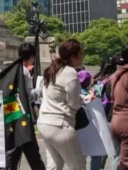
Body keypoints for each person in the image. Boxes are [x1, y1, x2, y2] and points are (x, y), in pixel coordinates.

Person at [38, 39, 87, 170]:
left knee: (54, 165)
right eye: (81, 54)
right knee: (78, 165)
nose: (82, 57)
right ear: (73, 56)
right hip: (60, 125)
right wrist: (83, 101)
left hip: (44, 123)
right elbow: (74, 103)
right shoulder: (70, 72)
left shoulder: (52, 70)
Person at [5, 42, 46, 170]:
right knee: (33, 155)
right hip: (23, 116)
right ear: (32, 56)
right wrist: (41, 89)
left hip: (11, 115)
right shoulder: (24, 72)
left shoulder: (11, 69)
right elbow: (28, 95)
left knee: (13, 152)